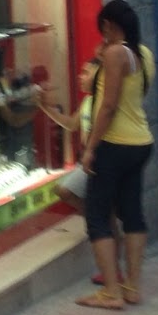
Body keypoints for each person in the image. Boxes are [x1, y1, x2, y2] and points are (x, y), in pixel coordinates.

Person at [75, 0, 155, 309]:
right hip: (140, 141)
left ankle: (110, 291)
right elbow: (134, 95)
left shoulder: (114, 54)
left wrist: (91, 148)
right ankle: (131, 287)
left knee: (97, 216)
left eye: (102, 29)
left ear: (108, 25)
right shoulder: (142, 53)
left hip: (113, 144)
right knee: (132, 213)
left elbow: (108, 106)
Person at [38, 57, 99, 209]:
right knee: (64, 190)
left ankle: (97, 219)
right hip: (89, 160)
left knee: (65, 190)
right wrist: (44, 107)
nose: (80, 77)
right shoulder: (87, 100)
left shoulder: (103, 103)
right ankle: (98, 219)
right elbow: (72, 124)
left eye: (86, 73)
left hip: (98, 160)